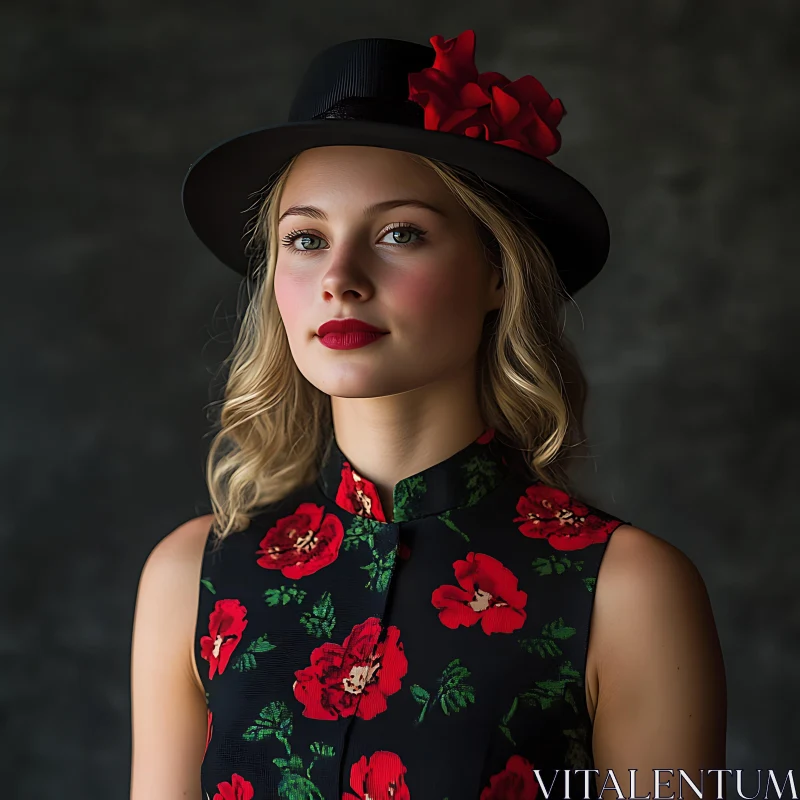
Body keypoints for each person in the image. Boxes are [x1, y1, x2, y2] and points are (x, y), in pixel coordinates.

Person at [130, 30, 727, 800]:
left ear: (497, 274)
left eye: (399, 233)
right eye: (306, 239)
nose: (340, 278)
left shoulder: (627, 589)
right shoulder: (191, 577)